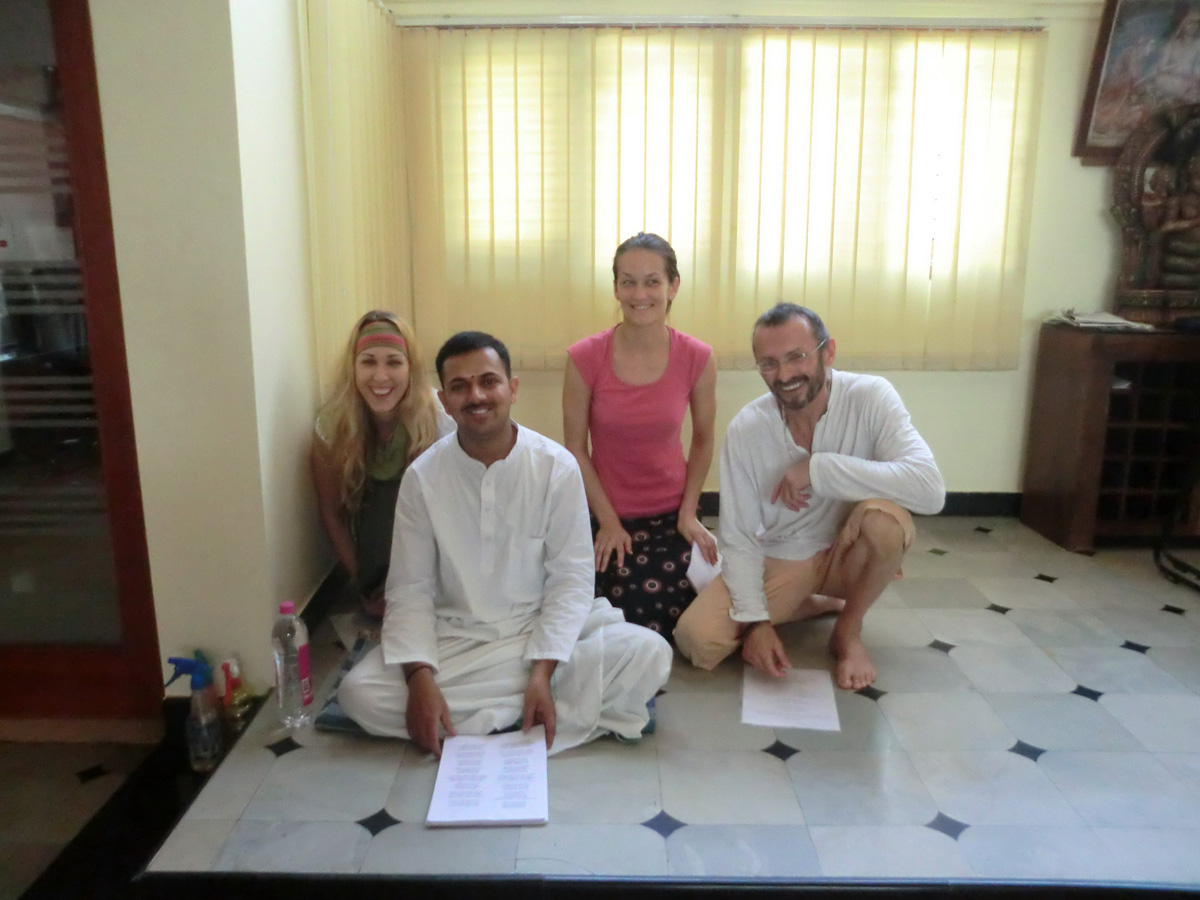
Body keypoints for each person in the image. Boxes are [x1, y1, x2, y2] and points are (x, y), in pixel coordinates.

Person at [338, 331, 673, 756]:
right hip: (455, 639)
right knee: (358, 694)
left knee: (650, 653)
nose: (476, 396)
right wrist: (420, 679)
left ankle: (492, 711)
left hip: (540, 632)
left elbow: (570, 581)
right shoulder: (423, 478)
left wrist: (541, 671)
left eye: (488, 381)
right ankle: (540, 710)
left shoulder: (556, 467)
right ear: (444, 401)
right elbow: (409, 588)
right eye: (460, 387)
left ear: (512, 389)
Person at [673, 303, 945, 690]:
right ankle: (811, 604)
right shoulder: (747, 429)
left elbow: (930, 490)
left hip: (850, 551)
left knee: (885, 524)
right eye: (769, 364)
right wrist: (756, 624)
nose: (784, 375)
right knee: (697, 640)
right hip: (785, 553)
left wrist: (818, 469)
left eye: (797, 357)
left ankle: (848, 630)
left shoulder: (871, 396)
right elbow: (739, 536)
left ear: (828, 352)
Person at [562, 233, 718, 638]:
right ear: (616, 288)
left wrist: (689, 512)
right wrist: (608, 522)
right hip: (604, 512)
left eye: (652, 281)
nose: (639, 294)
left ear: (673, 286)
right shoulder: (584, 357)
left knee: (688, 602)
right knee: (597, 606)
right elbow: (575, 447)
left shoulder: (697, 357)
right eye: (628, 282)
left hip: (672, 514)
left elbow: (703, 439)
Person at [310, 311, 453, 618]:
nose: (381, 376)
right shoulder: (331, 427)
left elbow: (460, 513)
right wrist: (364, 584)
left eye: (394, 362)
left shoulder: (441, 419)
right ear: (353, 367)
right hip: (377, 564)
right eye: (368, 362)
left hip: (438, 563)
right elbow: (331, 513)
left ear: (411, 368)